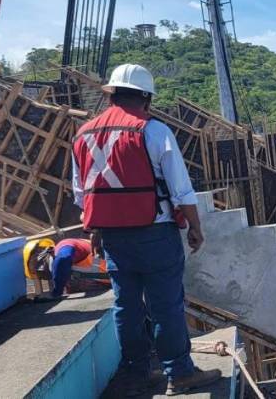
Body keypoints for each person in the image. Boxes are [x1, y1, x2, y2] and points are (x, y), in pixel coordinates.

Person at [71, 64, 219, 395]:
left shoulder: (82, 135)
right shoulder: (152, 131)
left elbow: (82, 193)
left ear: (112, 94)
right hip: (155, 233)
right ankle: (179, 373)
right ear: (146, 97)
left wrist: (95, 230)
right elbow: (181, 189)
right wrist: (195, 227)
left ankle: (136, 372)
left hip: (111, 236)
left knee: (126, 305)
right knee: (165, 304)